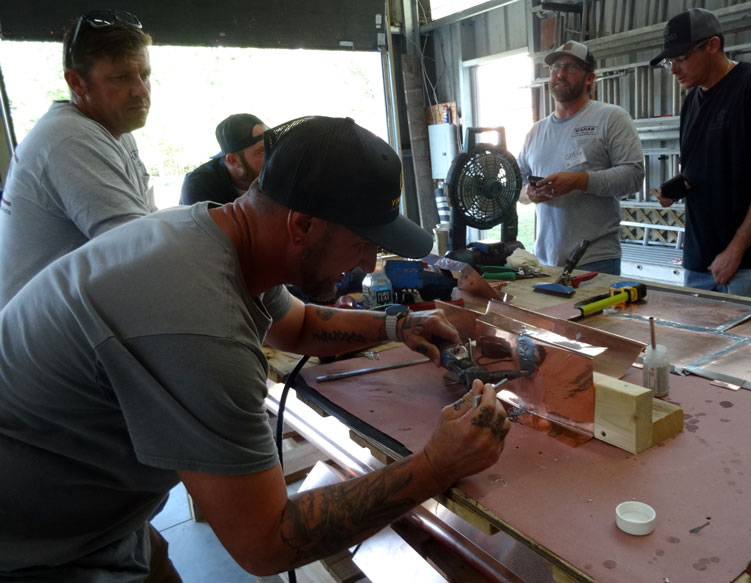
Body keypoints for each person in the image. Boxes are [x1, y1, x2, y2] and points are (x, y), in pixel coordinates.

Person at [0, 116, 510, 581]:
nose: (369, 261)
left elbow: (296, 322)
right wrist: (437, 465)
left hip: (101, 515)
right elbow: (266, 543)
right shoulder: (201, 325)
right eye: (362, 242)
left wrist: (396, 326)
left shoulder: (216, 236)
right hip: (35, 548)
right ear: (302, 225)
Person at [0, 9, 156, 308]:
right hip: (41, 341)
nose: (140, 90)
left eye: (145, 75)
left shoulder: (116, 132)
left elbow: (149, 225)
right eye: (122, 77)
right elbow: (140, 254)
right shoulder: (71, 139)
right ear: (77, 83)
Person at [650, 8, 751, 299]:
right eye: (670, 60)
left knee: (741, 345)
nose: (673, 69)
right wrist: (676, 187)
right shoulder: (692, 101)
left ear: (713, 45)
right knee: (696, 344)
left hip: (747, 263)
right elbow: (702, 168)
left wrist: (735, 250)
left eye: (681, 58)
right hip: (699, 259)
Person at [517, 41, 644, 275]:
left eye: (571, 67)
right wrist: (531, 193)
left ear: (589, 78)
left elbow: (633, 175)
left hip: (595, 260)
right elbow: (518, 187)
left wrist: (579, 181)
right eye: (555, 67)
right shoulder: (535, 132)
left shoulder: (611, 118)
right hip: (545, 261)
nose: (560, 74)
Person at [180, 113, 268, 205]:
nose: (272, 156)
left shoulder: (274, 173)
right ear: (233, 160)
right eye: (262, 151)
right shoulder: (199, 187)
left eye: (273, 146)